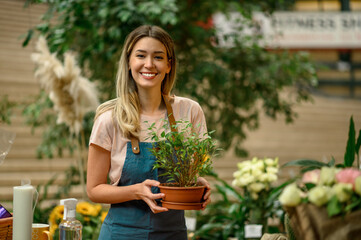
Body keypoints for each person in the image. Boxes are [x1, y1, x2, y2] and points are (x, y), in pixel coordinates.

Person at [86, 25, 211, 240]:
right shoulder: (109, 119)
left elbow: (189, 175)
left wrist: (196, 184)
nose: (149, 64)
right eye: (141, 55)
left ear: (169, 65)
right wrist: (135, 191)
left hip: (173, 234)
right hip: (121, 234)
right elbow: (94, 189)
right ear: (128, 62)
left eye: (158, 57)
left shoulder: (190, 111)